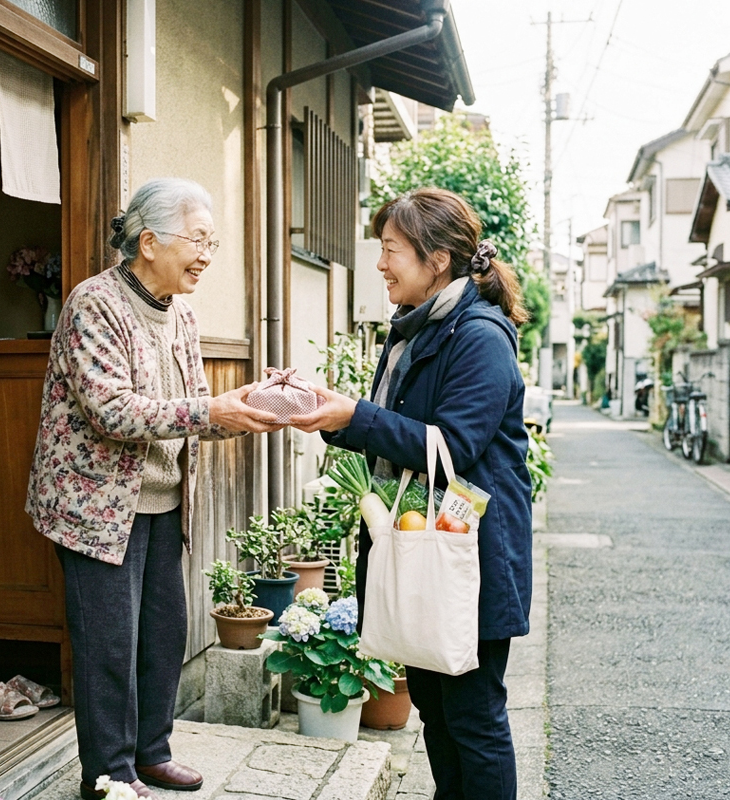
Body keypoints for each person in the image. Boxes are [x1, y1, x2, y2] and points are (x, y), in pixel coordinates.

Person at [26, 178, 281, 800]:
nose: (207, 254)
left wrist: (248, 407)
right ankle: (108, 776)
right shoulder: (94, 304)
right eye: (198, 240)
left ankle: (152, 752)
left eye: (212, 242)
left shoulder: (183, 314)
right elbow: (111, 410)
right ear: (148, 241)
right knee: (108, 645)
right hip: (95, 507)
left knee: (164, 631)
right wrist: (210, 411)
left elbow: (190, 412)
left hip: (163, 503)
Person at [291, 187, 533, 800]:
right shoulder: (414, 330)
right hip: (427, 549)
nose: (380, 264)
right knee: (433, 706)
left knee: (473, 716)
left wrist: (356, 416)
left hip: (469, 556)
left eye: (391, 250)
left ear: (438, 259)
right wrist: (331, 412)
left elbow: (452, 446)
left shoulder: (477, 335)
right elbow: (399, 433)